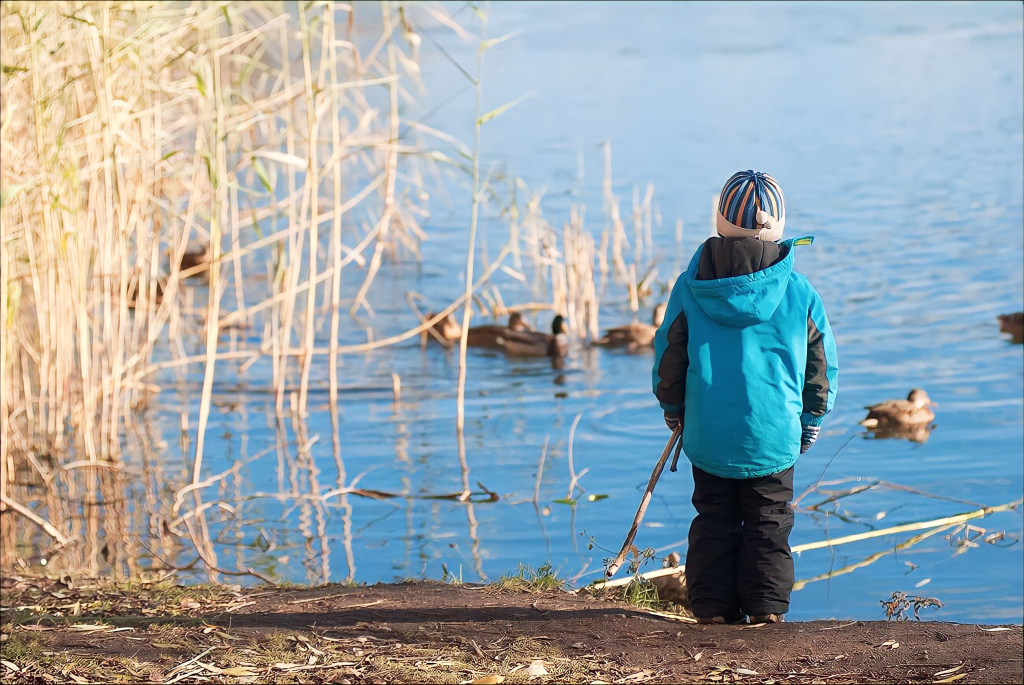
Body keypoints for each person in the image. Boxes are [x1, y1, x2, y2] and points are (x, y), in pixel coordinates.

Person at [651, 170, 838, 625]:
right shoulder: (800, 293)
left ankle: (713, 613)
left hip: (709, 434)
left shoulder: (690, 287)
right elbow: (821, 367)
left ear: (719, 220)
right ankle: (767, 611)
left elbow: (668, 359)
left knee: (714, 521)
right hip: (774, 435)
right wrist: (812, 418)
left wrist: (673, 410)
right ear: (778, 226)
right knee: (769, 523)